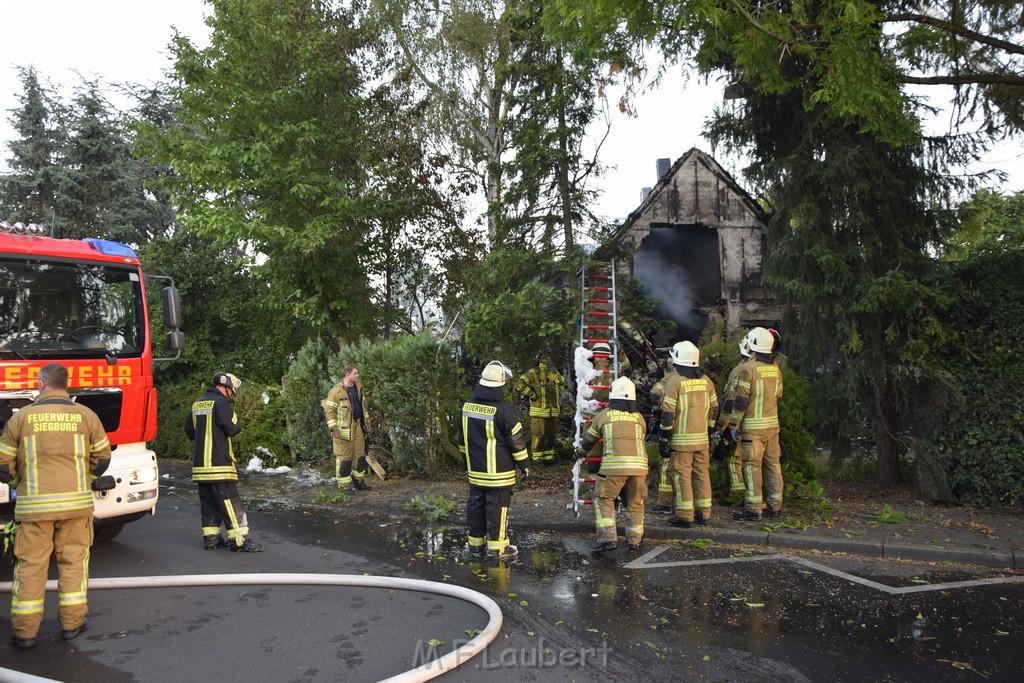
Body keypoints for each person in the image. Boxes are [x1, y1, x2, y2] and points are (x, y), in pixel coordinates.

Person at [0, 363, 112, 648]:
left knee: (30, 567)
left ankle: (24, 633)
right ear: (67, 383)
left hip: (34, 509)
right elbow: (103, 459)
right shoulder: (86, 416)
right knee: (73, 565)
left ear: (40, 383)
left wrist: (19, 487)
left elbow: (2, 466)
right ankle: (72, 625)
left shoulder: (21, 418)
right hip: (76, 508)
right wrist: (84, 480)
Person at [460, 361, 531, 561]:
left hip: (476, 473)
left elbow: (462, 441)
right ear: (500, 385)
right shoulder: (504, 411)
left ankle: (476, 547)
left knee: (476, 506)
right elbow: (516, 443)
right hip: (499, 475)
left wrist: (469, 461)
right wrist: (525, 466)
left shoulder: (467, 406)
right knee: (497, 510)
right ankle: (498, 549)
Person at [185, 371, 262, 552]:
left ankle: (212, 539)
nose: (233, 394)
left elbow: (190, 432)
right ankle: (240, 541)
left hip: (200, 467)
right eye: (233, 391)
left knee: (209, 503)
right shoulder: (221, 402)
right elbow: (233, 428)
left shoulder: (197, 403)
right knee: (230, 502)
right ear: (227, 388)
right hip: (219, 465)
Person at [576, 376, 648, 552]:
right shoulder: (639, 418)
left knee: (604, 498)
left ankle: (608, 539)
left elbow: (589, 441)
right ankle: (635, 540)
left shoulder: (603, 416)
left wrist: (577, 453)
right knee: (635, 503)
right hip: (639, 469)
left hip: (614, 469)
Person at [725, 328, 785, 521]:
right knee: (773, 465)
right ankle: (775, 506)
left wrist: (733, 425)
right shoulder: (776, 368)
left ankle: (753, 508)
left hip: (752, 429)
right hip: (772, 427)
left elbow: (740, 401)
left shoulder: (747, 369)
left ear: (753, 345)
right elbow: (779, 395)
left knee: (752, 467)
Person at [659, 341, 719, 529]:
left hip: (681, 441)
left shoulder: (675, 382)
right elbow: (714, 410)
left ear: (677, 359)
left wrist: (664, 439)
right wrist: (708, 431)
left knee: (682, 475)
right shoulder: (707, 381)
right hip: (702, 440)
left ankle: (685, 516)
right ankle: (704, 513)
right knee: (702, 474)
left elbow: (668, 414)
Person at [714, 337, 753, 506]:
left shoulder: (740, 370)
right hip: (762, 425)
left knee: (734, 458)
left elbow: (731, 401)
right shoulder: (769, 368)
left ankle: (737, 495)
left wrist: (723, 425)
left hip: (740, 423)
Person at [323, 365, 372, 492]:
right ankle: (344, 486)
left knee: (359, 455)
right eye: (355, 373)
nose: (358, 375)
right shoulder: (336, 391)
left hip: (358, 427)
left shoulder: (358, 388)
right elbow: (329, 411)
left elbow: (363, 406)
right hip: (342, 431)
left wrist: (366, 420)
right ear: (347, 374)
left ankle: (359, 481)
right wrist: (333, 428)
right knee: (344, 457)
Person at [515, 356, 563, 464]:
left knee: (551, 436)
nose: (548, 360)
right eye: (545, 358)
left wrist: (558, 395)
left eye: (549, 357)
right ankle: (537, 459)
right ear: (540, 360)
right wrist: (532, 395)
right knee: (538, 436)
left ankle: (548, 458)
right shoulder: (533, 373)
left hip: (552, 412)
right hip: (539, 412)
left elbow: (561, 384)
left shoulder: (554, 372)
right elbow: (519, 384)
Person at [647, 361, 675, 515]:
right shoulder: (704, 380)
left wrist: (655, 416)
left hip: (673, 431)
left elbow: (655, 395)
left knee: (665, 465)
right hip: (698, 436)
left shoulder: (671, 378)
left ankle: (665, 503)